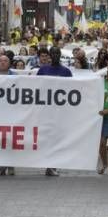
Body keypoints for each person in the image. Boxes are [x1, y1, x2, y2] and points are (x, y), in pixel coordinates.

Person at [37, 47, 71, 177]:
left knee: (57, 138)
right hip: (45, 110)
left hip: (60, 111)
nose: (55, 55)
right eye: (53, 53)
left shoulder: (66, 71)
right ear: (50, 55)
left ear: (60, 55)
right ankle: (48, 163)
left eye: (58, 53)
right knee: (46, 138)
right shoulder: (43, 70)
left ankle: (52, 165)